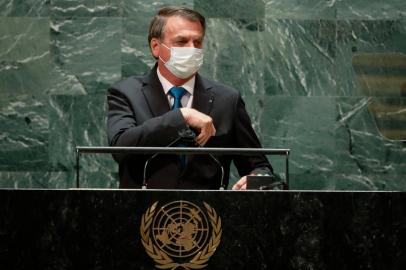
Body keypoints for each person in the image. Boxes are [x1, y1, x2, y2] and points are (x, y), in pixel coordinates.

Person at [107, 6, 273, 190]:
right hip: (144, 213)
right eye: (181, 41)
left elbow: (260, 166)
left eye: (198, 42)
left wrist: (257, 178)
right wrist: (181, 117)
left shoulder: (227, 100)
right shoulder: (127, 93)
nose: (192, 49)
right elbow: (120, 148)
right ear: (156, 47)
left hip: (206, 214)